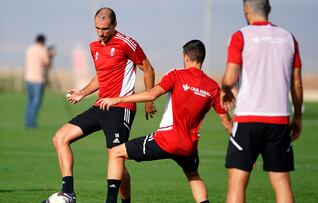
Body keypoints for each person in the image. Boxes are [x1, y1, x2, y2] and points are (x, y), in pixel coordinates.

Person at [97, 40, 233, 203]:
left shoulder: (177, 75)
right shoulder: (212, 87)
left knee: (115, 153)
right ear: (202, 58)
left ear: (186, 57)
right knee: (193, 175)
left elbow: (151, 95)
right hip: (189, 147)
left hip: (166, 140)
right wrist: (243, 148)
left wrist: (118, 99)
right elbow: (227, 122)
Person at [43, 7, 156, 203]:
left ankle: (118, 200)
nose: (101, 33)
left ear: (114, 26)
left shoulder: (127, 43)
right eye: (97, 28)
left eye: (105, 28)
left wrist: (149, 100)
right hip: (100, 106)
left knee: (116, 155)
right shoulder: (94, 46)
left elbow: (148, 69)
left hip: (121, 108)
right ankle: (68, 192)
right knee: (60, 138)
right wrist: (82, 92)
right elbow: (101, 77)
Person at [220, 0, 303, 203]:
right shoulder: (288, 38)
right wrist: (298, 116)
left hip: (249, 118)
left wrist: (225, 89)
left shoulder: (241, 36)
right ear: (269, 9)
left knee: (237, 181)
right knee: (281, 180)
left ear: (246, 9)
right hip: (279, 119)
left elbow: (230, 78)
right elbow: (297, 83)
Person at [24, 34, 53, 128]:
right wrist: (50, 55)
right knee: (36, 102)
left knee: (30, 102)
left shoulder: (29, 49)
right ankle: (31, 124)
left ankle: (28, 122)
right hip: (38, 79)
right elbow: (47, 64)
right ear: (43, 41)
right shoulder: (42, 50)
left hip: (28, 78)